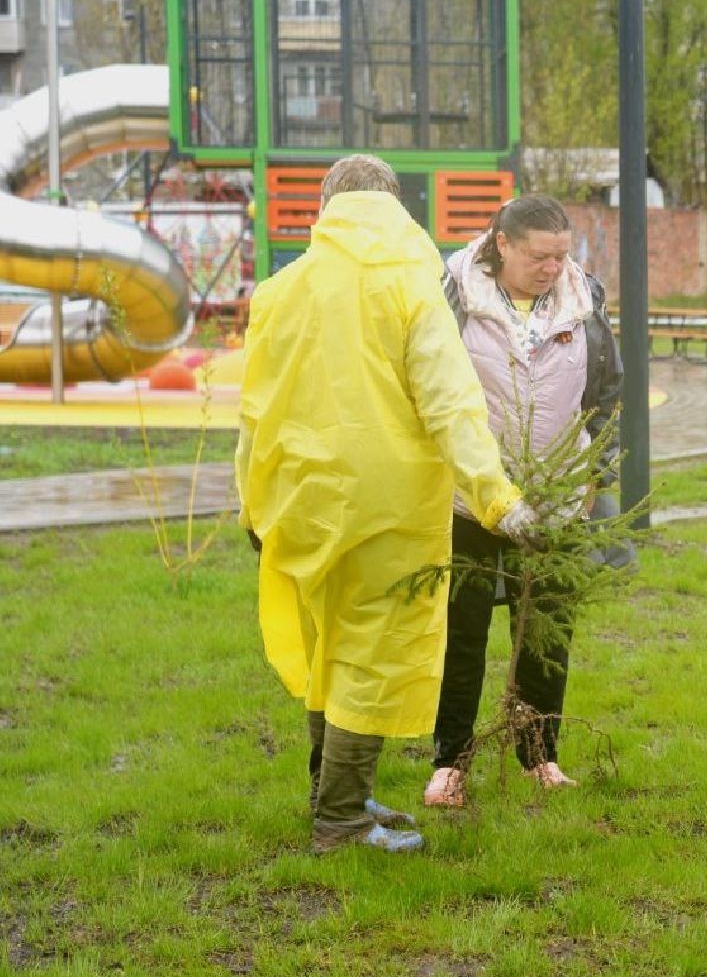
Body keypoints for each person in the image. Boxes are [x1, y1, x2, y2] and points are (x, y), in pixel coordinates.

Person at [236, 154, 541, 854]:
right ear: (396, 205)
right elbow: (451, 404)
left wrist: (250, 503)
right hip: (385, 504)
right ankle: (341, 818)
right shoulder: (410, 287)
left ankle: (333, 794)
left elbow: (254, 410)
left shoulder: (280, 290)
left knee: (328, 646)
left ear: (327, 205)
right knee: (369, 655)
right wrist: (497, 499)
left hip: (299, 499)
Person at [423, 196, 625, 807]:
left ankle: (540, 756)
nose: (552, 269)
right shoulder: (454, 295)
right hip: (470, 498)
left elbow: (605, 391)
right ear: (502, 244)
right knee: (462, 633)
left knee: (545, 632)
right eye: (539, 256)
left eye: (561, 256)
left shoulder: (583, 299)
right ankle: (450, 763)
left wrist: (593, 476)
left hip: (556, 495)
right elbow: (426, 389)